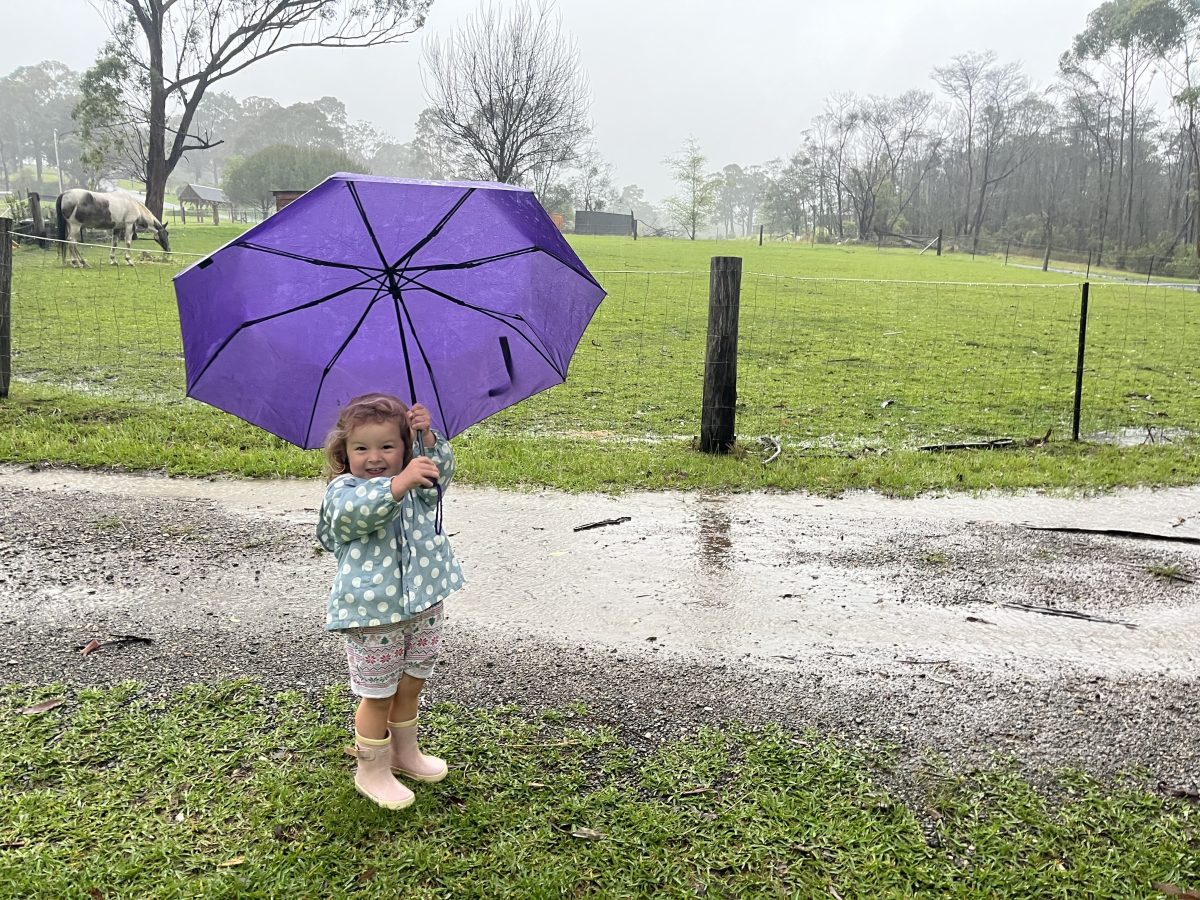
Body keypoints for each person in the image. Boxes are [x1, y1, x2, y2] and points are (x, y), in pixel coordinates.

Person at [317, 393, 464, 810]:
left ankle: (404, 752)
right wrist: (397, 484)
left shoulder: (417, 486)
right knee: (377, 693)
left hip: (424, 603)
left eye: (388, 446)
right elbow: (354, 516)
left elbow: (440, 477)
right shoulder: (343, 491)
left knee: (412, 680)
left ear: (404, 449)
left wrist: (429, 440)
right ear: (344, 453)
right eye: (361, 448)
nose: (375, 457)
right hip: (373, 614)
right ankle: (372, 769)